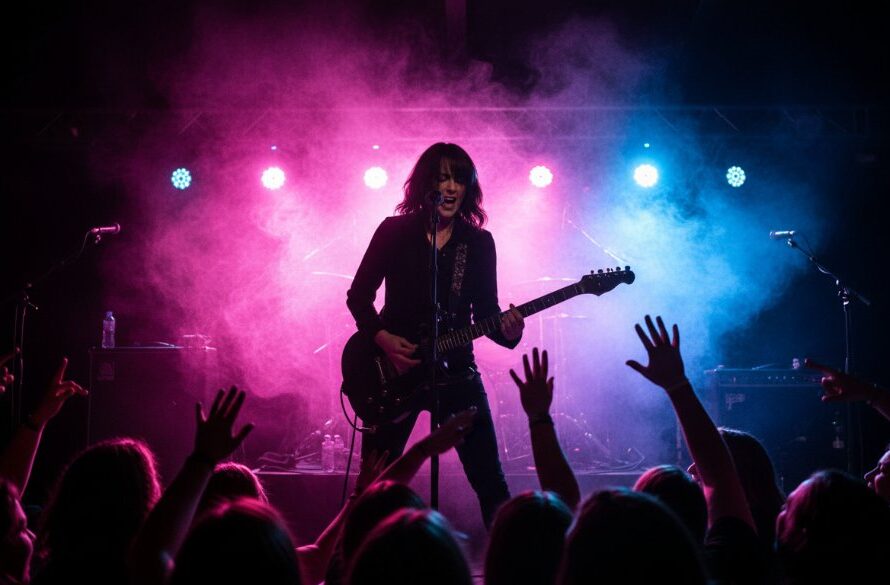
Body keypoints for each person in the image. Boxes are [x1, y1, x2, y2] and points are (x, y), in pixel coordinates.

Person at [346, 142, 524, 526]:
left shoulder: (477, 242)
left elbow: (487, 313)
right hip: (391, 372)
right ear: (425, 185)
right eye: (442, 178)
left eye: (459, 179)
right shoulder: (393, 232)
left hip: (456, 373)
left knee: (490, 481)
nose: (451, 187)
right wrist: (383, 340)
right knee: (376, 484)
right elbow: (359, 297)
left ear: (468, 188)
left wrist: (510, 333)